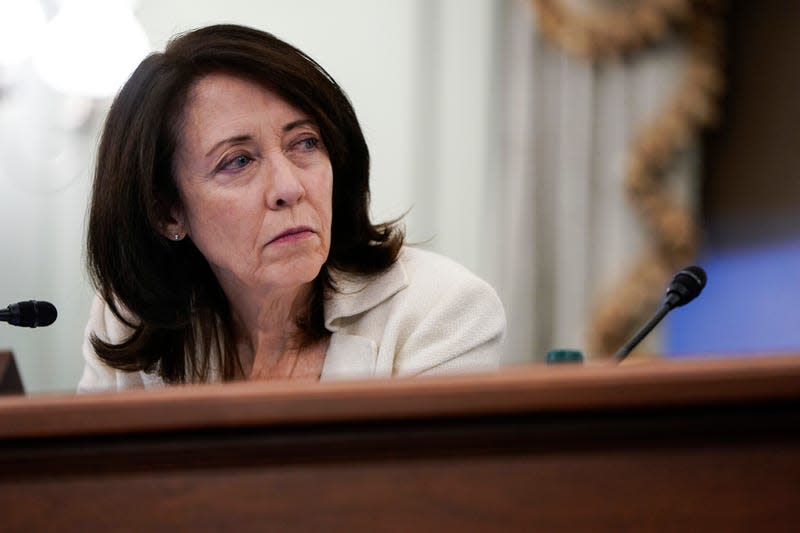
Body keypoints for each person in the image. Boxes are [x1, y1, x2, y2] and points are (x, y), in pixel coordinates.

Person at [79, 24, 505, 392]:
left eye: (304, 143)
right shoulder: (131, 322)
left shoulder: (441, 312)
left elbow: (430, 489)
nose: (289, 188)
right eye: (238, 161)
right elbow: (88, 484)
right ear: (167, 212)